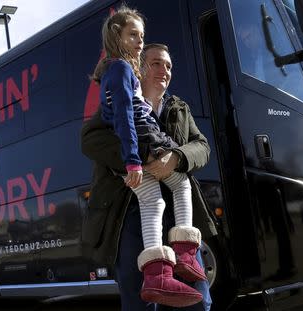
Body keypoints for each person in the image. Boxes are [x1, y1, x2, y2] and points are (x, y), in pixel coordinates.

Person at [81, 41, 217, 310]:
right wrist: (143, 158)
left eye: (168, 65)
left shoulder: (180, 107)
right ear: (140, 69)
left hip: (178, 218)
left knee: (198, 299)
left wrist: (175, 158)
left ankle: (185, 258)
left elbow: (202, 147)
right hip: (129, 215)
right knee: (141, 301)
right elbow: (90, 140)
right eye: (156, 63)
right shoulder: (123, 99)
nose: (164, 70)